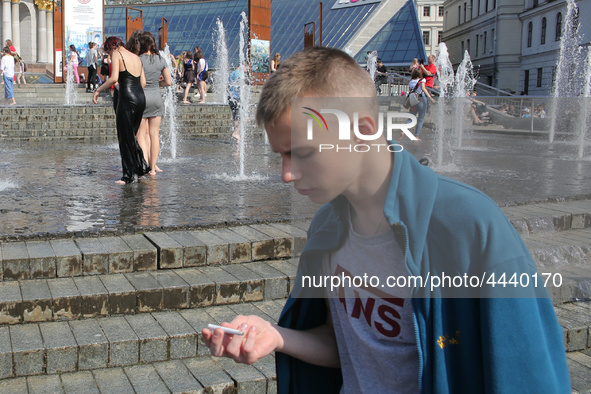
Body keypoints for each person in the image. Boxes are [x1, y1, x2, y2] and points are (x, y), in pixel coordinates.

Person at [201, 47, 570, 393]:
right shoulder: (328, 227)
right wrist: (277, 336)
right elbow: (347, 345)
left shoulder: (470, 226)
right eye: (281, 155)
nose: (286, 174)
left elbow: (531, 374)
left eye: (302, 152)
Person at [92, 36, 150, 184]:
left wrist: (98, 90)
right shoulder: (136, 57)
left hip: (127, 99)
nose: (110, 55)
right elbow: (143, 82)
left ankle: (128, 176)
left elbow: (113, 78)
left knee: (125, 138)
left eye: (108, 52)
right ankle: (140, 168)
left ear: (112, 47)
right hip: (140, 98)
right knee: (132, 136)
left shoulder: (118, 53)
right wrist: (133, 93)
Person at [137, 31, 171, 176]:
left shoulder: (138, 59)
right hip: (156, 97)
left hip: (142, 98)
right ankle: (153, 168)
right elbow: (168, 82)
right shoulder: (160, 59)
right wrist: (157, 84)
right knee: (154, 135)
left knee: (142, 135)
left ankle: (144, 165)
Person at [407, 68, 436, 140]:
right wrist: (430, 97)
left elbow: (410, 92)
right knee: (421, 118)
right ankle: (416, 136)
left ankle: (403, 131)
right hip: (421, 99)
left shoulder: (410, 81)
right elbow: (423, 88)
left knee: (411, 117)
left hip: (413, 100)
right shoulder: (422, 80)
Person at [228, 64, 244, 141]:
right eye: (246, 69)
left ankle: (238, 138)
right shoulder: (240, 74)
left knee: (236, 118)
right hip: (237, 98)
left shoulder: (232, 73)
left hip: (231, 98)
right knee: (246, 117)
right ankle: (236, 133)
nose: (246, 71)